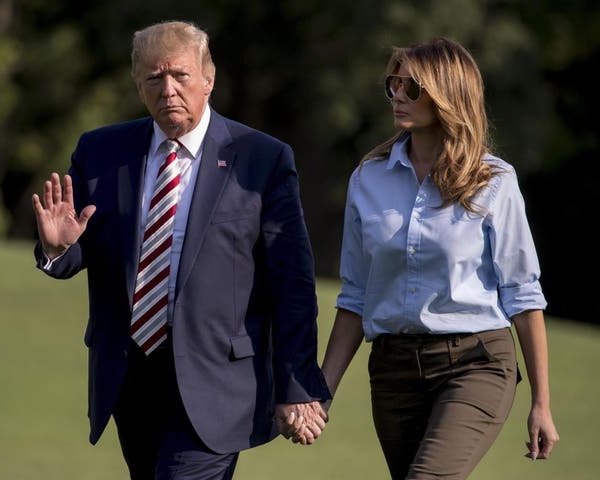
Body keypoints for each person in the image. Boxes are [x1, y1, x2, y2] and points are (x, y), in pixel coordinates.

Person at [31, 20, 330, 480]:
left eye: (180, 76)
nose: (167, 89)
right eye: (154, 78)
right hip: (130, 377)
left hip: (217, 381)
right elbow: (78, 249)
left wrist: (298, 384)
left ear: (208, 79)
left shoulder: (261, 157)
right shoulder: (102, 151)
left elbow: (291, 282)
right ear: (138, 85)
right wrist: (57, 249)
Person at [319, 37, 559, 479]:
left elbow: (523, 295)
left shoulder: (495, 181)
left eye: (412, 87)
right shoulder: (367, 178)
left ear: (448, 94)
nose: (397, 95)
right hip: (392, 372)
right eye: (394, 83)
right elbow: (355, 296)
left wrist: (541, 403)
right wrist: (323, 392)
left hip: (476, 362)